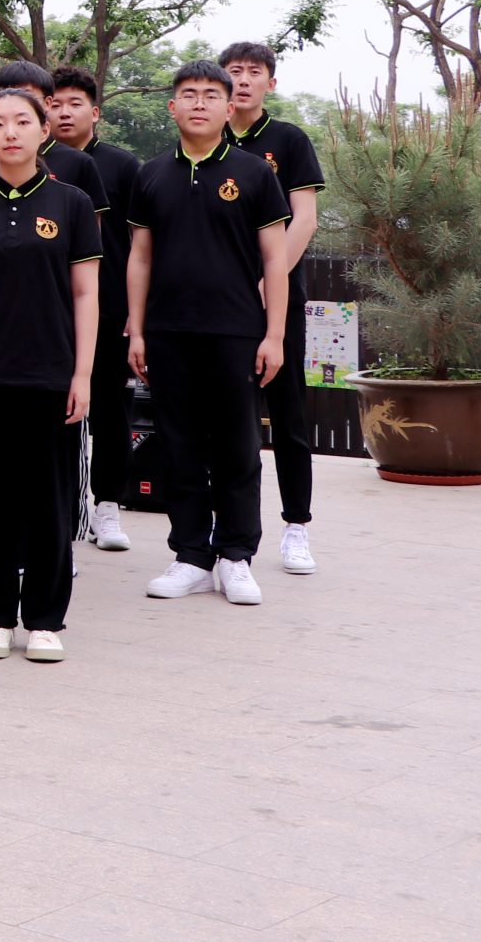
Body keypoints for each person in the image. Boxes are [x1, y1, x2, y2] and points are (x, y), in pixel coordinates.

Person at [0, 88, 102, 661]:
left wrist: (82, 374)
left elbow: (85, 294)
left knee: (48, 501)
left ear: (42, 131)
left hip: (50, 377)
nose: (8, 133)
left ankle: (46, 619)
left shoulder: (73, 204)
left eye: (21, 122)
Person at [127, 61, 294, 607]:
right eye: (188, 94)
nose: (199, 103)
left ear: (229, 108)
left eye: (210, 95)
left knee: (238, 446)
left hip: (236, 332)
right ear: (172, 107)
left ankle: (236, 556)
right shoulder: (151, 174)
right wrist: (137, 329)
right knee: (178, 445)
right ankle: (191, 555)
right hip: (169, 331)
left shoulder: (254, 174)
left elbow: (275, 259)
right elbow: (140, 257)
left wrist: (274, 335)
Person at [220, 41, 326, 576]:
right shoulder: (203, 142)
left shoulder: (288, 140)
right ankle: (225, 527)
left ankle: (296, 526)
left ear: (270, 83)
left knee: (286, 415)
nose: (242, 80)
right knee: (223, 418)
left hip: (278, 296)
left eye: (253, 72)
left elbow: (303, 218)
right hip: (220, 307)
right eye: (233, 71)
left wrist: (272, 278)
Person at [47, 65, 144, 553]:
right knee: (59, 412)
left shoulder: (123, 166)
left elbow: (139, 246)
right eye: (56, 103)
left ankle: (108, 504)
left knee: (110, 409)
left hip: (108, 308)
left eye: (75, 104)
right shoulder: (34, 162)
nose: (64, 112)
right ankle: (64, 509)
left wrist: (135, 309)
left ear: (95, 111)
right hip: (52, 312)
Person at [0, 62, 106, 214]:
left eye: (24, 94)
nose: (13, 101)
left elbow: (90, 231)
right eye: (3, 94)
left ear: (47, 103)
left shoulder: (79, 162)